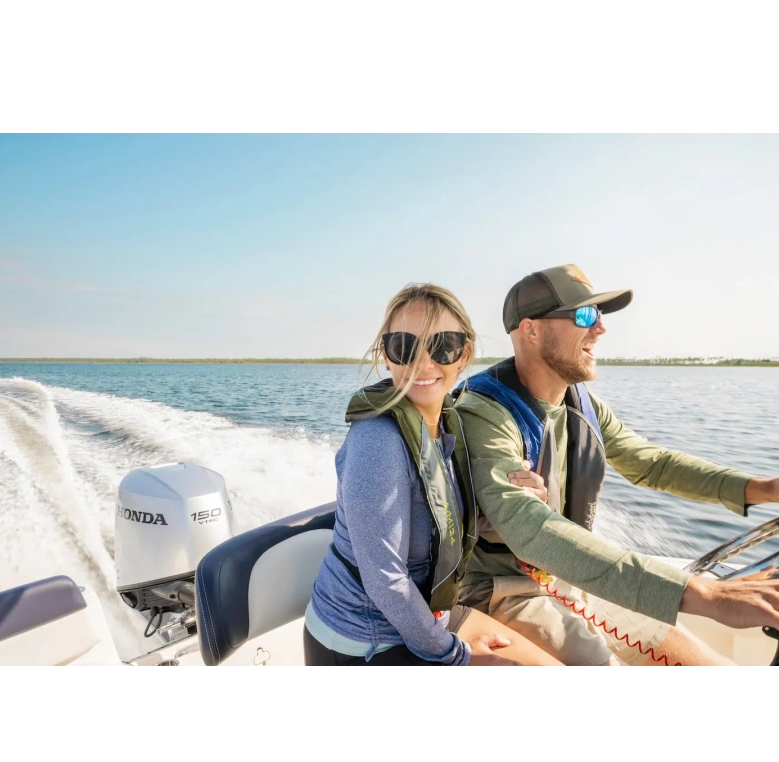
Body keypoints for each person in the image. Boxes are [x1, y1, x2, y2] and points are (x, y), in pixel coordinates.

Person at [455, 263, 779, 667]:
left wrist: (763, 488)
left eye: (600, 315)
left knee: (712, 668)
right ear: (531, 330)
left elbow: (653, 464)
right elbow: (531, 530)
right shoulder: (484, 414)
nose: (600, 328)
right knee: (602, 668)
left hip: (572, 575)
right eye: (584, 315)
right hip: (501, 588)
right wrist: (706, 594)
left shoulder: (581, 405)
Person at [303, 283, 562, 671]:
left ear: (464, 355)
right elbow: (386, 580)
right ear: (386, 356)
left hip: (428, 613)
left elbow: (441, 519)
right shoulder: (378, 442)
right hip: (366, 639)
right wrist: (457, 653)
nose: (423, 364)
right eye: (404, 347)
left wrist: (516, 503)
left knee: (550, 669)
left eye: (443, 346)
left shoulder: (445, 426)